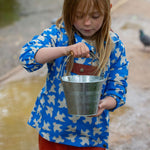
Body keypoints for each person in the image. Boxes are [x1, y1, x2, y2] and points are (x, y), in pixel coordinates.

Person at [19, 0, 129, 149]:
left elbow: (118, 89)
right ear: (68, 11)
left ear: (108, 10)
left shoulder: (113, 45)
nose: (87, 23)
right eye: (79, 15)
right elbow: (27, 57)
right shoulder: (57, 35)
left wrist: (105, 103)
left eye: (95, 16)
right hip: (53, 132)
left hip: (91, 136)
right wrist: (65, 49)